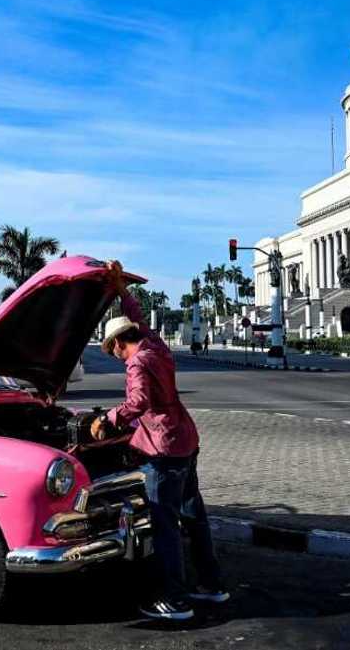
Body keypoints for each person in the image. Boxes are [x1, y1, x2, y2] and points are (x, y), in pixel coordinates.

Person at [92, 261, 227, 621]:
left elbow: (138, 403)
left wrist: (108, 419)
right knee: (193, 515)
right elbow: (136, 315)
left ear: (120, 342)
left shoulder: (137, 362)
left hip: (164, 448)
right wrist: (120, 288)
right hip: (185, 439)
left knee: (164, 523)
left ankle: (175, 599)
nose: (115, 357)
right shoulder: (156, 345)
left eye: (113, 351)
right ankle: (212, 585)